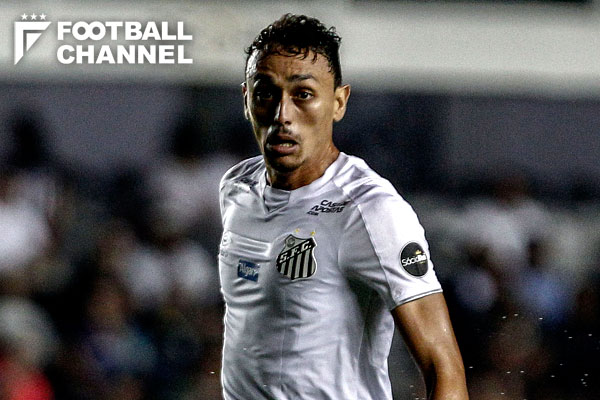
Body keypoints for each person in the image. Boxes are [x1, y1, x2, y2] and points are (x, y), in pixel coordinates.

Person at [218, 14, 468, 399]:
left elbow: (443, 365)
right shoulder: (237, 188)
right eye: (265, 92)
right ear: (246, 101)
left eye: (303, 94)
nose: (282, 115)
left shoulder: (370, 211)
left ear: (338, 102)